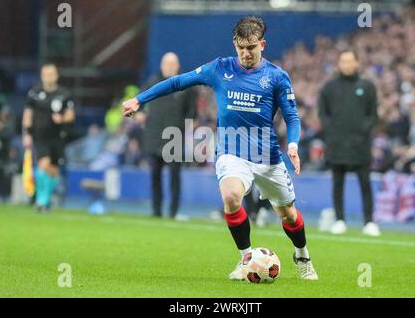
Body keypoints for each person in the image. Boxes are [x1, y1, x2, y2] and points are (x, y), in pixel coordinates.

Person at [123, 17, 318, 280]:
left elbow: (292, 116)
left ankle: (302, 254)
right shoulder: (219, 68)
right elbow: (177, 82)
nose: (246, 54)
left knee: (289, 215)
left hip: (267, 155)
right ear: (234, 45)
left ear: (263, 44)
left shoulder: (276, 76)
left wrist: (292, 145)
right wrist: (139, 99)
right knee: (230, 197)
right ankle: (245, 258)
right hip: (231, 152)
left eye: (252, 47)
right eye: (241, 48)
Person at [318, 50, 380, 236]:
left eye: (350, 61)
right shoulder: (329, 87)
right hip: (336, 144)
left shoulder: (367, 86)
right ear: (338, 64)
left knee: (365, 183)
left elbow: (373, 114)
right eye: (343, 61)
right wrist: (333, 131)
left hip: (360, 144)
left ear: (357, 63)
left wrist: (363, 130)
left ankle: (369, 222)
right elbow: (323, 115)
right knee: (338, 183)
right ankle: (340, 220)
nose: (346, 64)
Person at [140, 52, 198, 220]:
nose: (170, 67)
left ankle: (173, 211)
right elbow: (140, 102)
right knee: (155, 176)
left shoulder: (185, 85)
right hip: (154, 136)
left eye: (173, 64)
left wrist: (185, 127)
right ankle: (156, 210)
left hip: (174, 138)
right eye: (167, 64)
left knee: (174, 177)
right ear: (161, 65)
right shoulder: (151, 82)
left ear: (178, 66)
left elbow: (192, 112)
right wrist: (140, 114)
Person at [22, 63, 75, 212]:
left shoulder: (64, 94)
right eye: (46, 74)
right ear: (42, 76)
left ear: (56, 75)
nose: (48, 77)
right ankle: (41, 200)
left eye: (51, 74)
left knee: (53, 170)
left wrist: (62, 119)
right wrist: (26, 133)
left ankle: (45, 199)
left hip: (58, 136)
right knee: (43, 164)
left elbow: (71, 115)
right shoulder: (34, 93)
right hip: (40, 135)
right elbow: (28, 114)